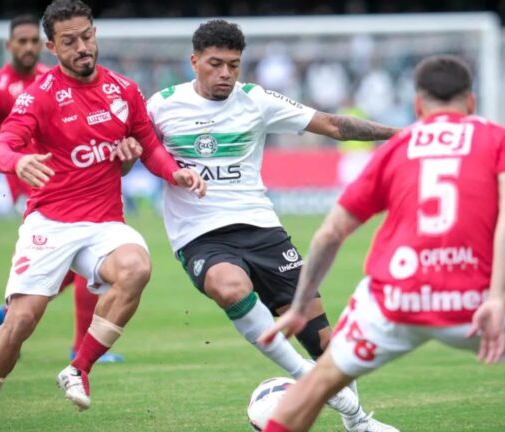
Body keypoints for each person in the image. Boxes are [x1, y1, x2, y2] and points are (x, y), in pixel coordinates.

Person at [258, 55, 505, 432]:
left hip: (393, 301)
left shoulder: (399, 146)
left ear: (417, 104)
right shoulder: (501, 140)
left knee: (317, 385)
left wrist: (298, 308)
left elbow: (331, 231)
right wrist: (497, 297)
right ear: (471, 102)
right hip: (470, 305)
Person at [0, 1, 205, 431]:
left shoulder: (124, 90)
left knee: (136, 268)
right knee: (20, 322)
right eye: (69, 42)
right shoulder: (40, 97)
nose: (82, 47)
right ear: (53, 47)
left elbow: (148, 145)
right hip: (50, 223)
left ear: (95, 34)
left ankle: (79, 367)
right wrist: (16, 163)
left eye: (87, 36)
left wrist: (175, 173)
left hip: (103, 223)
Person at [147, 19, 398, 432]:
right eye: (215, 64)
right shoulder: (161, 105)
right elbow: (133, 155)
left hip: (262, 228)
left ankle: (357, 422)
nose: (225, 73)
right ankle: (305, 377)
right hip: (200, 234)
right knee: (230, 287)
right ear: (194, 62)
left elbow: (335, 126)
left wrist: (400, 135)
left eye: (233, 64)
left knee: (325, 343)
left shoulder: (256, 100)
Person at [0, 14, 123, 364]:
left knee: (82, 264)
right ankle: (76, 345)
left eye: (33, 41)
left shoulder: (52, 79)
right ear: (9, 46)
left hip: (68, 182)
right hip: (33, 189)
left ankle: (13, 311)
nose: (28, 48)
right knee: (84, 265)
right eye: (22, 42)